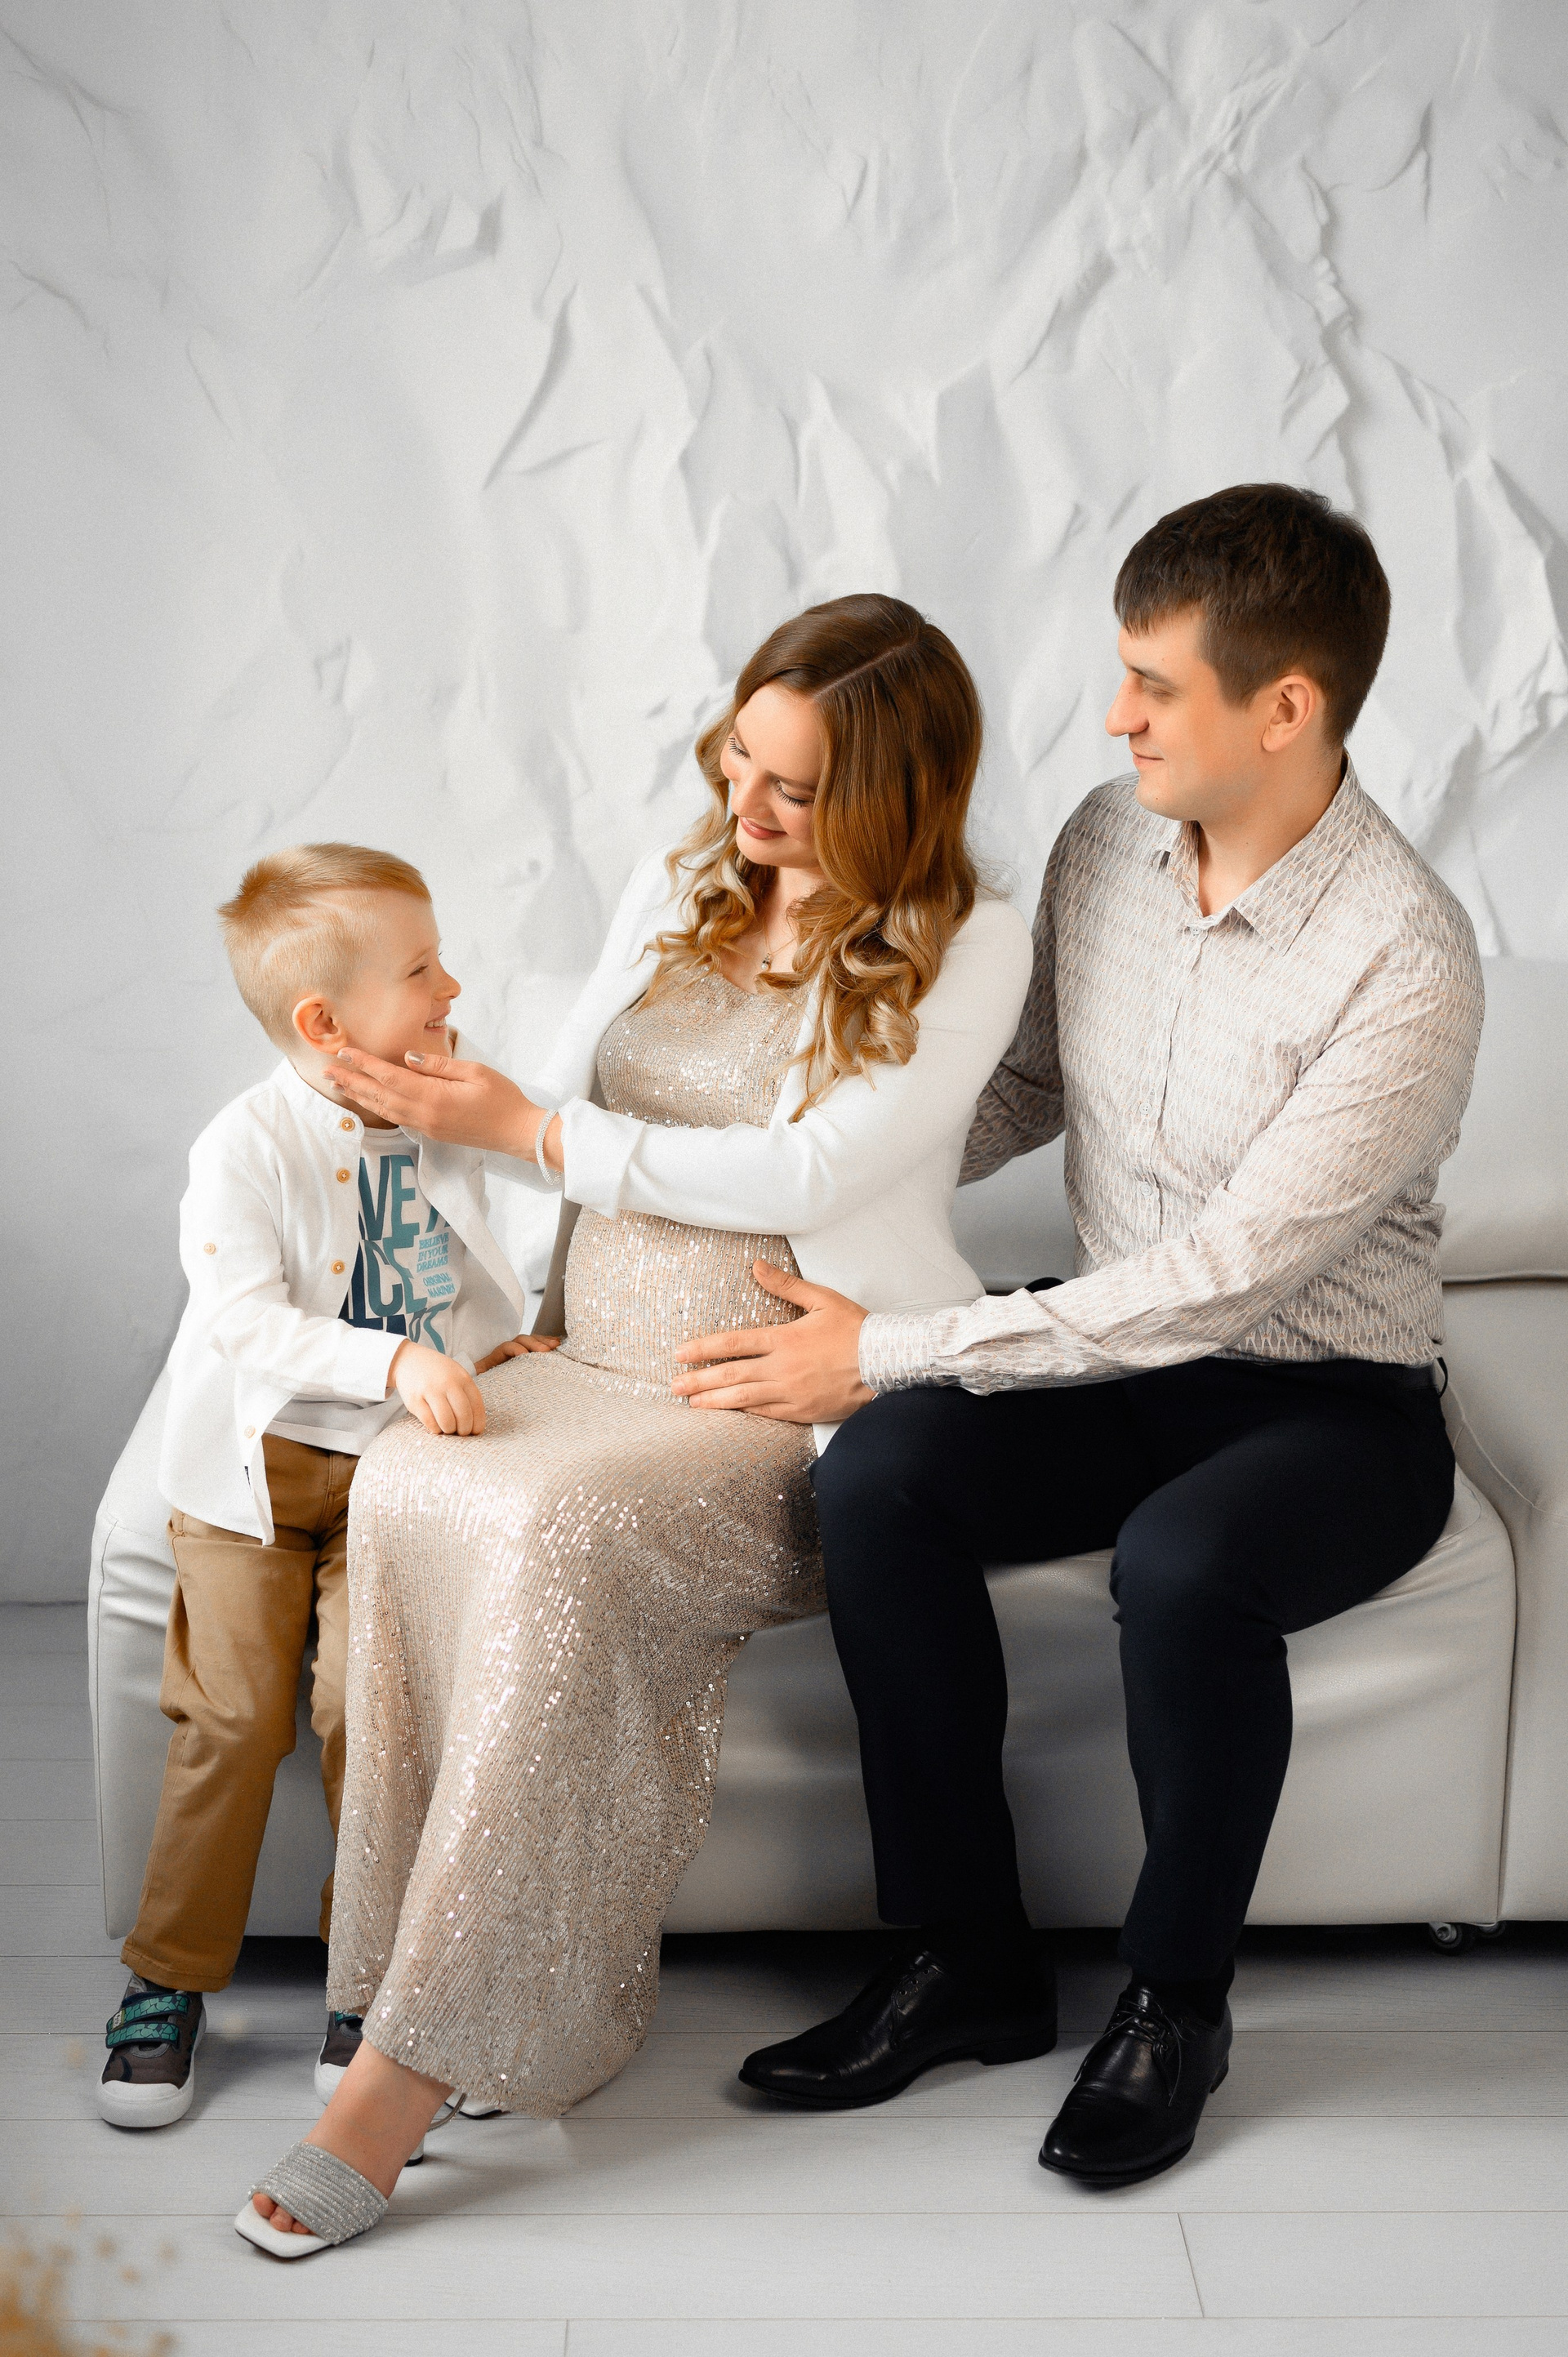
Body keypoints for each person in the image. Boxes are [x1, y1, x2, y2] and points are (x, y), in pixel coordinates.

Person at [673, 486, 1485, 2188]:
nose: (1116, 715)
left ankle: (1176, 2005)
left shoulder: (1407, 956)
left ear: (1286, 706)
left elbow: (1227, 1276)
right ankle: (967, 1960)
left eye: (1154, 684)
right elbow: (1022, 1087)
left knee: (1184, 1566)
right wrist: (796, 1176)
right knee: (881, 1479)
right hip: (1120, 1360)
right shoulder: (1109, 843)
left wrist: (897, 1341)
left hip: (1329, 1402)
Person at [238, 594, 1036, 2257]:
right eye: (741, 759)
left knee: (554, 1528)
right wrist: (524, 1274)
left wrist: (526, 1132)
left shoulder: (972, 941)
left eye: (797, 789)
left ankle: (399, 2080)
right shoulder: (687, 877)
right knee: (408, 1481)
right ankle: (399, 1987)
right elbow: (582, 1096)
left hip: (770, 1392)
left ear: (897, 795)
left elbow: (812, 1166)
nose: (749, 808)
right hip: (591, 1347)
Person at [100, 844, 550, 2132]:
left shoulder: (443, 1102)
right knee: (235, 1713)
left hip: (395, 1472)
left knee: (374, 1708)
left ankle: (372, 1985)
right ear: (324, 1021)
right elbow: (243, 1319)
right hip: (255, 1473)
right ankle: (166, 1976)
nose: (452, 986)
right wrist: (397, 1359)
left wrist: (489, 1343)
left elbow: (506, 1217)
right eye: (422, 969)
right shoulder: (242, 1148)